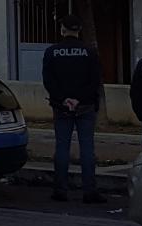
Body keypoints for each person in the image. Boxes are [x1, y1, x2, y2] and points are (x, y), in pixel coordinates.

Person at [42, 17, 104, 203]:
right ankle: (89, 192)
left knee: (62, 148)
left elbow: (48, 80)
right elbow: (95, 80)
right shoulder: (90, 52)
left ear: (62, 29)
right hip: (85, 106)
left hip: (61, 107)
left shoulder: (52, 52)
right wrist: (79, 99)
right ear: (78, 30)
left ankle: (60, 190)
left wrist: (64, 99)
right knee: (87, 148)